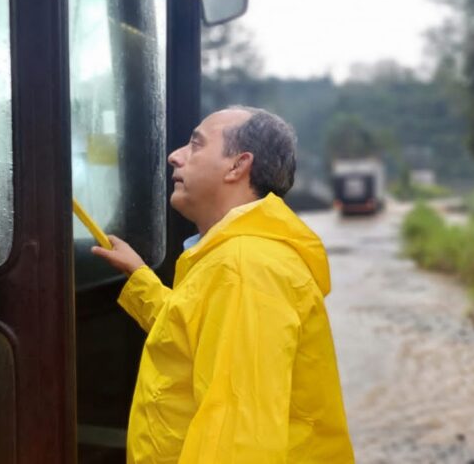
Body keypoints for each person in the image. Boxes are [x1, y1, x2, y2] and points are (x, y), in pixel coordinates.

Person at [92, 107, 354, 463]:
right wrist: (140, 279)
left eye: (195, 145)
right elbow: (191, 332)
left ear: (237, 166)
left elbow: (240, 438)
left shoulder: (246, 268)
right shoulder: (233, 258)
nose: (175, 156)